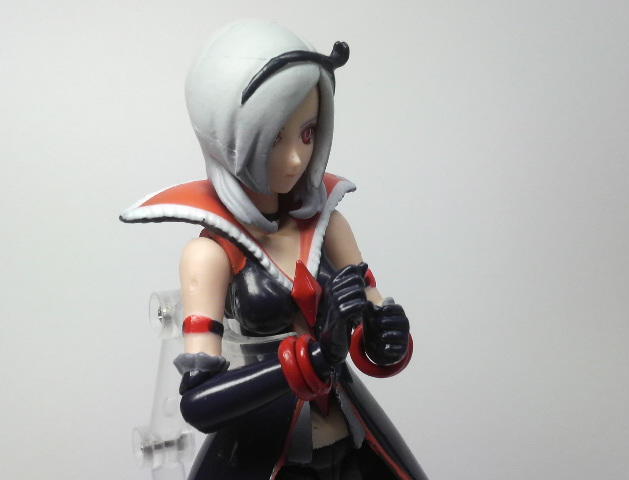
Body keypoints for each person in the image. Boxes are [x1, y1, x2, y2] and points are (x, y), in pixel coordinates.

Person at [121, 19, 427, 480]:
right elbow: (199, 403)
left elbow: (373, 327)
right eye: (274, 138)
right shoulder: (212, 253)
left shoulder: (329, 225)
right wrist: (312, 359)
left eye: (307, 133)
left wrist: (388, 337)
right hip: (268, 454)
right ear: (228, 135)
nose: (296, 159)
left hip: (352, 437)